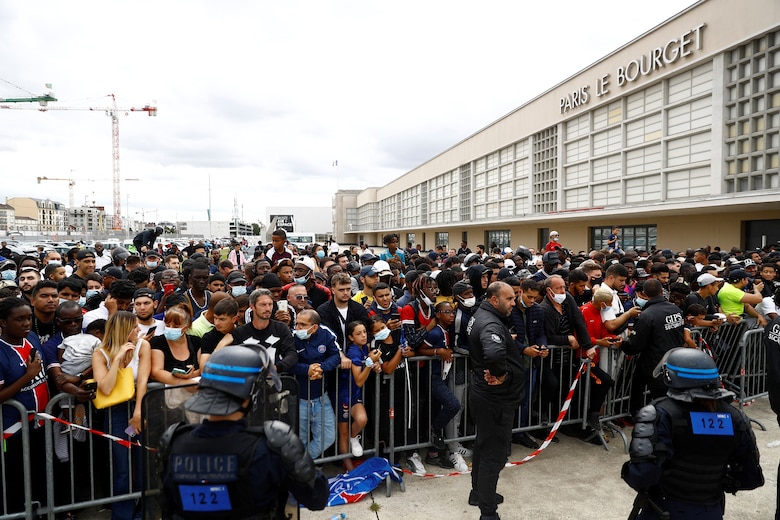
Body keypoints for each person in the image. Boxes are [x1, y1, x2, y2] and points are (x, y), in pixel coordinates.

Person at [158, 345, 329, 518]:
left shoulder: (174, 442)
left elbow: (167, 505)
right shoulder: (271, 447)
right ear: (252, 393)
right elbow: (317, 498)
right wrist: (297, 460)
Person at [622, 348, 763, 519]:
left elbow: (643, 475)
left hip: (665, 509)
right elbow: (751, 476)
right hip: (710, 509)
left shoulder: (661, 414)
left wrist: (627, 470)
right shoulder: (734, 417)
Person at [467, 281, 524, 520]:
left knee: (483, 446)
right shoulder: (490, 322)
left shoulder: (482, 314)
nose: (514, 303)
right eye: (510, 299)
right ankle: (488, 513)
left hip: (486, 396)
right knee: (495, 454)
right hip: (494, 399)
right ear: (494, 300)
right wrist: (503, 375)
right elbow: (492, 353)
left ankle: (478, 493)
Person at [91, 310, 152, 520]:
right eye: (135, 327)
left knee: (144, 462)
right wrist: (116, 360)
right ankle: (123, 515)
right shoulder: (100, 353)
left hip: (140, 406)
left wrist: (138, 412)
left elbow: (143, 380)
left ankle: (144, 512)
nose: (139, 330)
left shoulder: (143, 346)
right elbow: (105, 388)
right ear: (123, 330)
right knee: (122, 466)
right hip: (116, 411)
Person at [0, 298, 49, 514]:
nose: (26, 323)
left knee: (39, 474)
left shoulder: (31, 338)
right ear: (2, 322)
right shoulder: (1, 352)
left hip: (40, 424)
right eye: (19, 319)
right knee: (15, 479)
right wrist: (27, 376)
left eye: (28, 318)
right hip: (13, 430)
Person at [622, 279, 685, 411]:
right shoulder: (675, 309)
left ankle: (654, 419)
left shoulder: (647, 315)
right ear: (662, 291)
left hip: (654, 363)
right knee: (640, 386)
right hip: (674, 359)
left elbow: (634, 345)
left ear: (644, 293)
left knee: (661, 398)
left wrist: (622, 344)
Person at [288, 309, 340, 460]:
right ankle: (300, 473)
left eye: (303, 325)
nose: (298, 328)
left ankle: (301, 464)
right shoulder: (291, 336)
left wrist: (322, 368)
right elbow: (286, 362)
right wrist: (308, 370)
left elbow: (336, 355)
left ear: (314, 327)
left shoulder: (325, 333)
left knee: (328, 437)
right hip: (299, 399)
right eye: (297, 323)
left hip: (321, 398)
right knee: (299, 441)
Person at [338, 320, 382, 471]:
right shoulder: (353, 351)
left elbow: (368, 364)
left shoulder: (364, 347)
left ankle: (354, 437)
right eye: (358, 333)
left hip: (355, 394)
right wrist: (370, 363)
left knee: (362, 419)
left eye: (364, 332)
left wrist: (374, 364)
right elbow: (359, 380)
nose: (363, 336)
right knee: (342, 433)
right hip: (343, 394)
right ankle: (349, 468)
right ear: (351, 337)